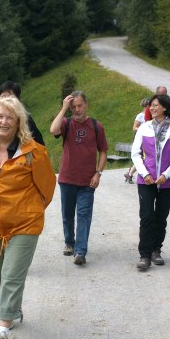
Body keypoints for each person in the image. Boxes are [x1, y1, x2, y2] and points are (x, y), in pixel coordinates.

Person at [0, 96, 56, 339]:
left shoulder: (33, 152)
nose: (4, 121)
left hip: (25, 223)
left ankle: (2, 333)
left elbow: (48, 187)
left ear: (18, 121)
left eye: (9, 117)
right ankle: (12, 309)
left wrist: (30, 210)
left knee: (11, 277)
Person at [50, 90, 109, 265]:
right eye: (73, 107)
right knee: (67, 214)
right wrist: (63, 108)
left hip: (87, 181)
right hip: (67, 178)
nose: (77, 110)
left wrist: (98, 173)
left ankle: (80, 251)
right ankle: (69, 242)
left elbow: (103, 151)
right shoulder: (66, 124)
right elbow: (53, 130)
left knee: (84, 215)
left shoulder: (97, 126)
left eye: (80, 105)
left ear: (86, 105)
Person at [131, 94, 170, 270]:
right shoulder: (144, 128)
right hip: (146, 180)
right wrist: (145, 173)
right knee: (147, 216)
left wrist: (167, 174)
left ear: (165, 107)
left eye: (156, 105)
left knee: (161, 217)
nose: (152, 108)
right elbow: (135, 153)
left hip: (167, 181)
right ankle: (144, 255)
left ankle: (156, 250)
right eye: (151, 106)